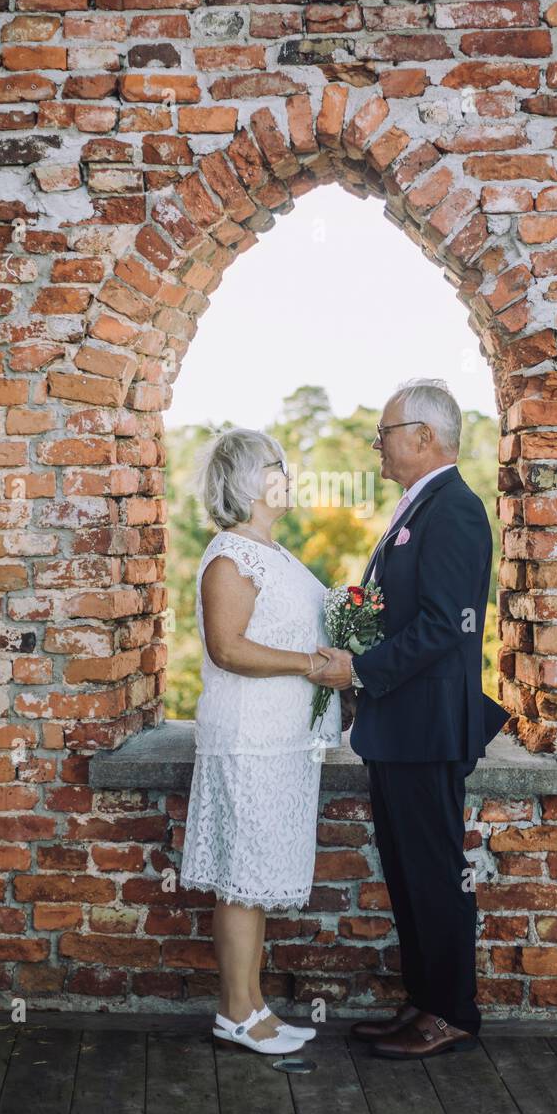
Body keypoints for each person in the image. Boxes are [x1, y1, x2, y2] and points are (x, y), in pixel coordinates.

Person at [309, 378, 509, 1059]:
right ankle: (423, 1001)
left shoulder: (454, 509)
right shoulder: (417, 506)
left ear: (425, 436)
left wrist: (358, 669)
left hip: (425, 729)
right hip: (399, 729)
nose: (377, 447)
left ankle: (453, 1013)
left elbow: (444, 629)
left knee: (433, 874)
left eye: (385, 433)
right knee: (405, 871)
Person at [180, 428, 341, 1055]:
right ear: (248, 483)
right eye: (277, 465)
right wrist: (310, 664)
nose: (289, 473)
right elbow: (228, 648)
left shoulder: (273, 551)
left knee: (257, 879)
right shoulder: (230, 556)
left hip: (282, 742)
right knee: (242, 880)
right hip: (248, 738)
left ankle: (255, 1006)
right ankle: (234, 1013)